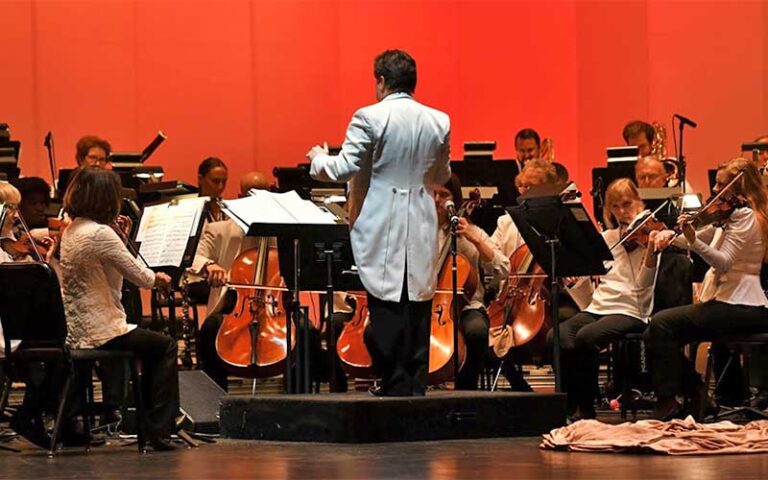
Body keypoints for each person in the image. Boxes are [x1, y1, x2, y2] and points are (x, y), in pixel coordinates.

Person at [308, 49, 450, 396]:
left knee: (386, 300)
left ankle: (393, 381)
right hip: (420, 214)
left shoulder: (369, 117)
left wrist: (318, 159)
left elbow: (343, 168)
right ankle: (414, 383)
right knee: (416, 297)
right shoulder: (439, 120)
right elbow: (442, 173)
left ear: (382, 81)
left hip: (382, 214)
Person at [59, 167, 179, 450]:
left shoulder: (73, 229)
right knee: (165, 346)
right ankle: (158, 431)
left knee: (153, 347)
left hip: (78, 328)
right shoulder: (100, 233)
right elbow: (141, 277)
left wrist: (120, 237)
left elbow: (111, 274)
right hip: (104, 329)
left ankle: (147, 425)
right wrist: (159, 279)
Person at [648, 157, 768, 420]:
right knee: (663, 330)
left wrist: (691, 242)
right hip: (726, 301)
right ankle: (696, 394)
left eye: (721, 185)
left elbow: (723, 261)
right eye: (716, 183)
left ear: (740, 189)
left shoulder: (746, 217)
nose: (714, 191)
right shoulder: (729, 216)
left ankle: (676, 399)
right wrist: (669, 236)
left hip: (743, 305)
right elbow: (698, 239)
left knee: (661, 325)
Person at [549, 178, 661, 420]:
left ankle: (587, 408)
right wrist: (575, 284)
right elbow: (592, 293)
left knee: (587, 337)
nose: (622, 212)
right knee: (557, 337)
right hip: (600, 306)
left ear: (639, 203)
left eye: (627, 204)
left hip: (632, 309)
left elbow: (643, 286)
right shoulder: (607, 238)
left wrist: (650, 250)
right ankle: (571, 401)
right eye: (616, 207)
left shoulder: (648, 236)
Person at [189, 171, 273, 391]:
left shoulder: (281, 232)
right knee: (209, 330)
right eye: (250, 195)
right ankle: (215, 400)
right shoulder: (219, 230)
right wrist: (210, 266)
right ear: (240, 196)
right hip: (231, 308)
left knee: (304, 332)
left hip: (275, 309)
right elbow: (194, 257)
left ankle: (299, 404)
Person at [433, 175, 509, 389]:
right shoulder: (418, 232)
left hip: (467, 305)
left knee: (476, 331)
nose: (437, 199)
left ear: (455, 200)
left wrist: (474, 239)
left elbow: (503, 269)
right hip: (427, 305)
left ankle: (466, 391)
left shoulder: (472, 232)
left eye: (444, 195)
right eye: (433, 194)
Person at [197, 157, 228, 223]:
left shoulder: (227, 210)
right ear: (201, 179)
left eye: (224, 182)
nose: (221, 187)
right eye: (215, 181)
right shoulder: (192, 209)